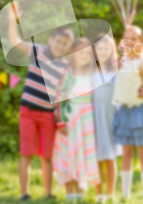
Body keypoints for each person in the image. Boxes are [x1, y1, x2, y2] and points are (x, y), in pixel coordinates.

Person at [8, 4, 74, 201]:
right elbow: (14, 41)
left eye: (65, 44)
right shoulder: (38, 51)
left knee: (46, 155)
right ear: (51, 40)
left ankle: (47, 192)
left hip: (48, 114)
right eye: (58, 41)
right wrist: (13, 22)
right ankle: (24, 193)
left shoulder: (66, 66)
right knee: (26, 153)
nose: (61, 46)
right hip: (28, 111)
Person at [112, 25, 143, 203]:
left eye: (134, 38)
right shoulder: (119, 62)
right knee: (126, 153)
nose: (130, 41)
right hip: (123, 111)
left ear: (141, 42)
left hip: (140, 113)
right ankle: (125, 195)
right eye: (127, 38)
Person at [53, 38, 100, 201]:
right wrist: (60, 121)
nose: (83, 55)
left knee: (84, 153)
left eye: (87, 53)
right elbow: (60, 98)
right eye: (80, 52)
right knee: (70, 152)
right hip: (71, 118)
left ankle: (80, 191)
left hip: (87, 121)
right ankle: (69, 192)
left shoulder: (92, 74)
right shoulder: (68, 73)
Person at [91, 34, 121, 203]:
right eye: (99, 48)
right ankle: (99, 193)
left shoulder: (114, 71)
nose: (102, 51)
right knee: (95, 157)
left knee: (109, 156)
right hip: (94, 116)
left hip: (110, 116)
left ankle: (110, 193)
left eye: (106, 48)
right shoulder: (90, 72)